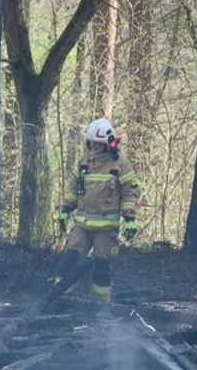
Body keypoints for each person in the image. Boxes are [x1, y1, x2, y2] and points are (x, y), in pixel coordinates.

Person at [52, 117, 141, 301]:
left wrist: (130, 219)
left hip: (106, 229)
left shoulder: (120, 164)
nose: (94, 146)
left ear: (108, 144)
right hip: (82, 226)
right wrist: (65, 209)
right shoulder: (84, 162)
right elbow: (73, 188)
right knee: (69, 259)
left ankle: (100, 307)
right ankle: (59, 298)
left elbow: (130, 192)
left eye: (98, 144)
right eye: (91, 142)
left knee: (102, 266)